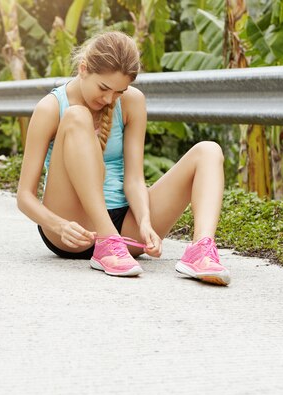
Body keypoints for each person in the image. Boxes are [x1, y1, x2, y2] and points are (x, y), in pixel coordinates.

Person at [16, 31, 230, 286]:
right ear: (83, 69)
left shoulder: (132, 102)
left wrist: (145, 221)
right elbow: (24, 197)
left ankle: (201, 251)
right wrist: (59, 225)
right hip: (71, 228)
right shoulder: (51, 107)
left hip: (125, 229)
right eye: (103, 88)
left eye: (119, 91)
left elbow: (134, 179)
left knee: (209, 150)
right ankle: (107, 240)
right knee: (77, 116)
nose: (109, 99)